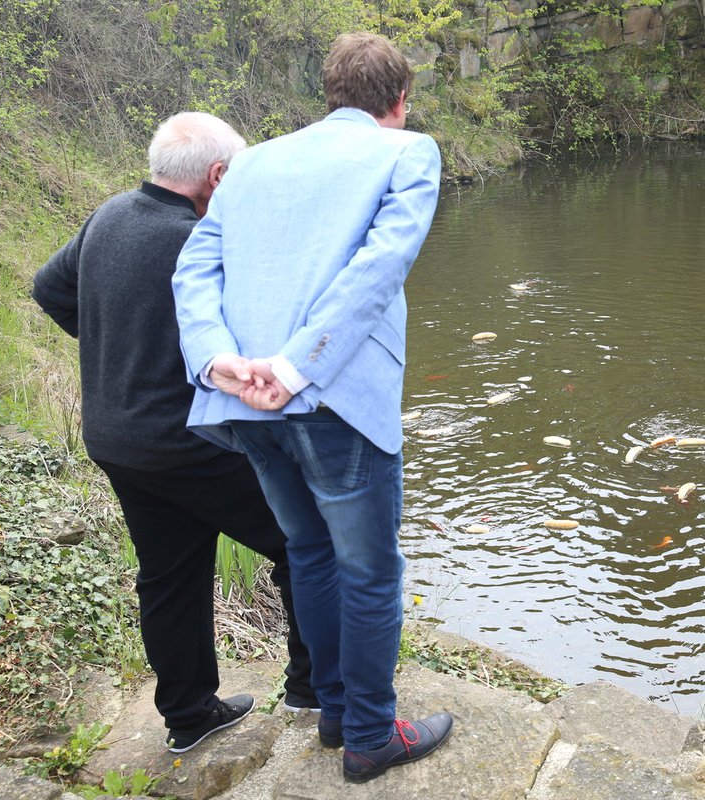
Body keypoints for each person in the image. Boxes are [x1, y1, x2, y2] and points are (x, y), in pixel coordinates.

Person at [171, 33, 451, 783]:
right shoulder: (407, 153)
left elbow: (195, 266)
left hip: (242, 403)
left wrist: (216, 357)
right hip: (334, 402)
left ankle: (334, 711)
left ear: (329, 95)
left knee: (310, 552)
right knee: (369, 572)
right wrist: (296, 369)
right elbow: (378, 268)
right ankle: (368, 736)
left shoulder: (253, 161)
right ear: (399, 103)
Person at [32, 112, 316, 755]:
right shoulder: (203, 239)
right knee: (307, 542)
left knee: (169, 574)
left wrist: (116, 347)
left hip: (116, 439)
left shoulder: (108, 216)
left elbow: (49, 290)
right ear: (217, 176)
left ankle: (189, 715)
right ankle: (312, 687)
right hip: (190, 443)